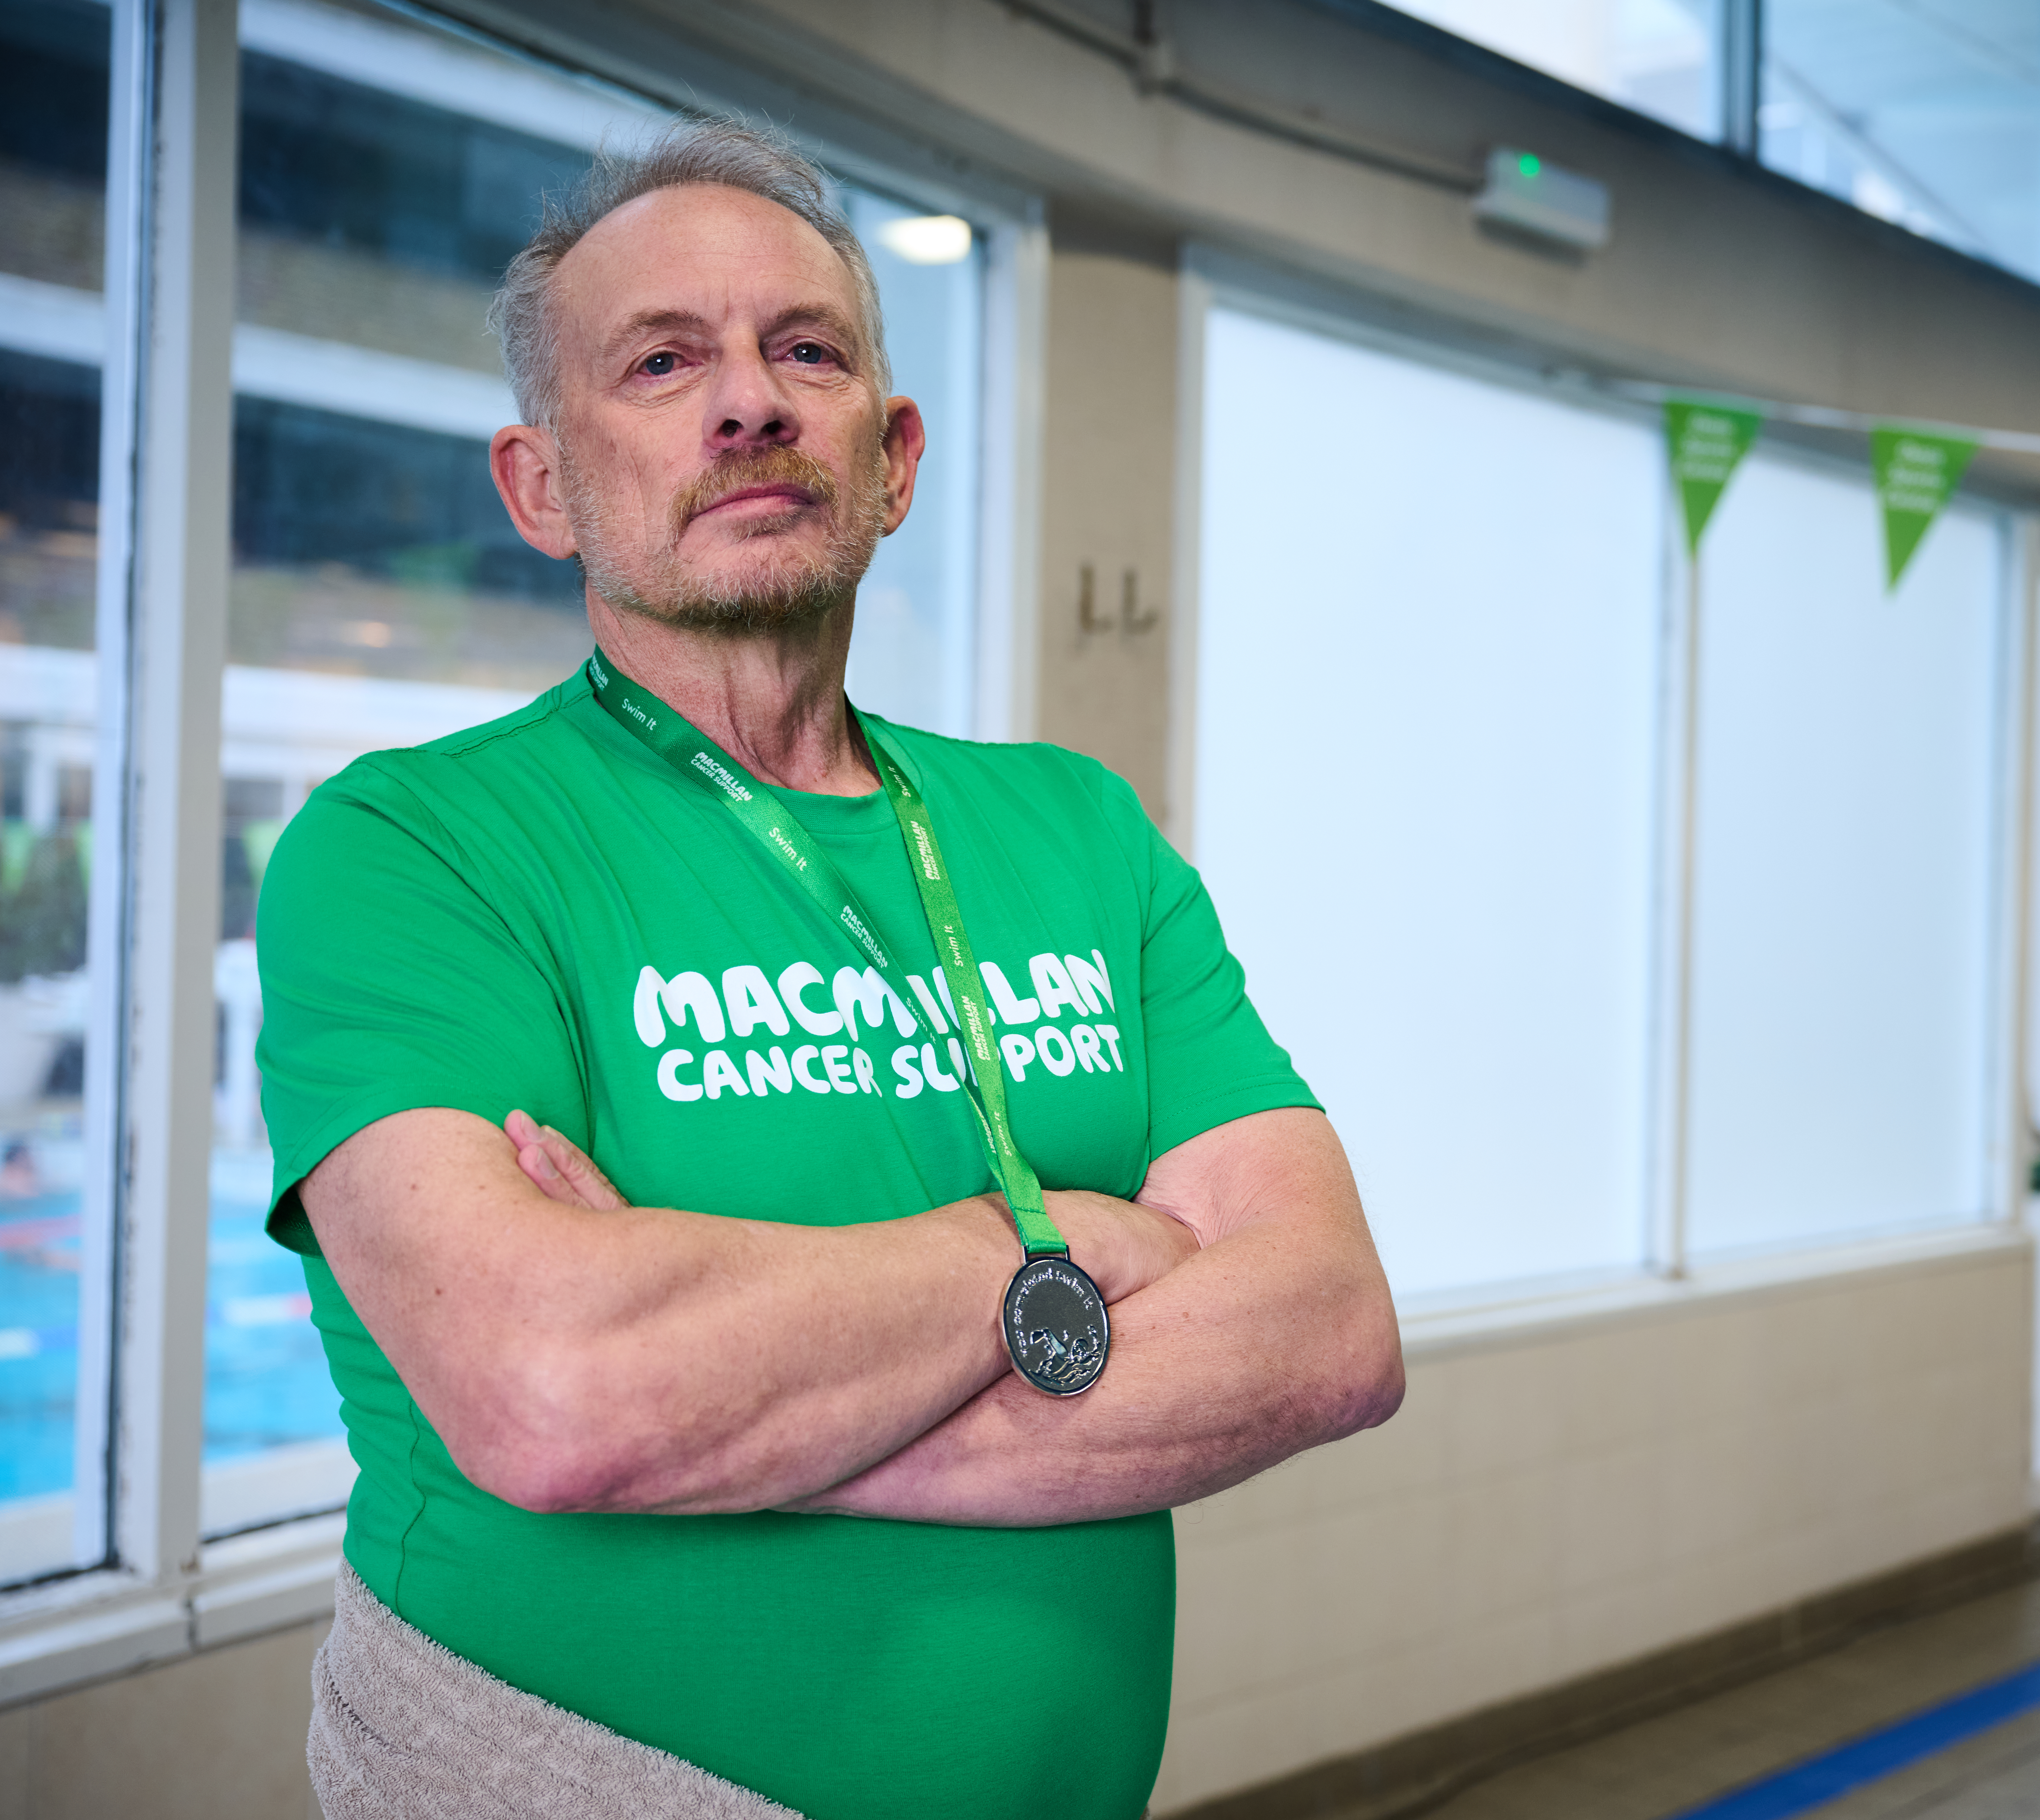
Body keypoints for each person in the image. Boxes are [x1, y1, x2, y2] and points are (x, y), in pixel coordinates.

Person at [257, 119, 1404, 1820]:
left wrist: (747, 1414)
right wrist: (1066, 1243)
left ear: (895, 457)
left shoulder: (1077, 828)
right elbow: (565, 1395)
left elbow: (1330, 1330)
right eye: (662, 362)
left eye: (807, 350)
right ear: (543, 485)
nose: (749, 403)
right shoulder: (414, 849)